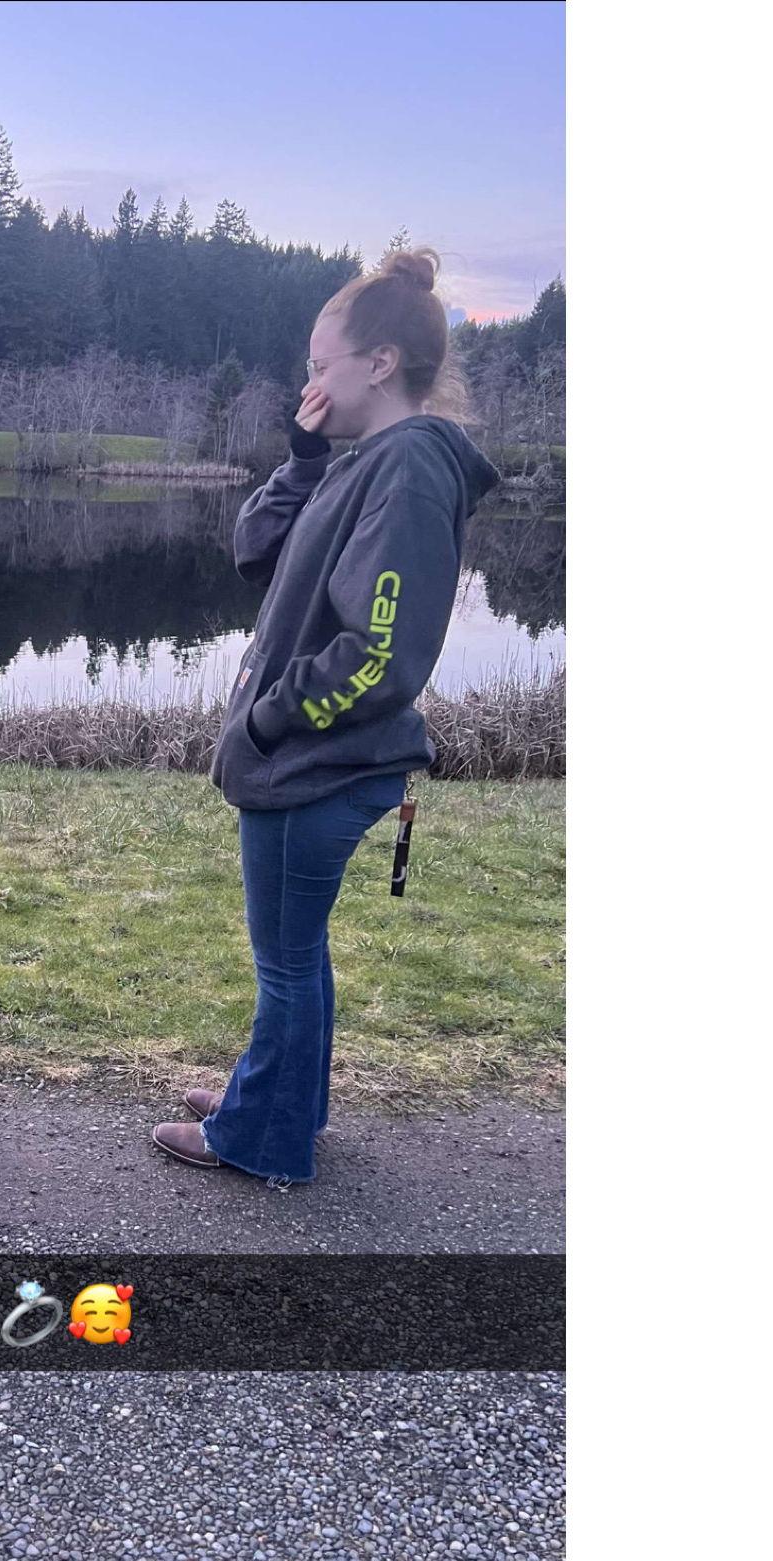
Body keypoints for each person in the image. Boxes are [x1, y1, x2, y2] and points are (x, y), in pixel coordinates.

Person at [151, 249, 500, 1185]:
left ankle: (259, 1137)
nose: (307, 382)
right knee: (296, 957)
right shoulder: (361, 464)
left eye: (319, 364)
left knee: (286, 963)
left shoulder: (410, 470)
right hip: (314, 760)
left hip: (316, 764)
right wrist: (302, 461)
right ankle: (284, 1104)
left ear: (379, 363)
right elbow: (256, 553)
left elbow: (380, 654)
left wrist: (269, 722)